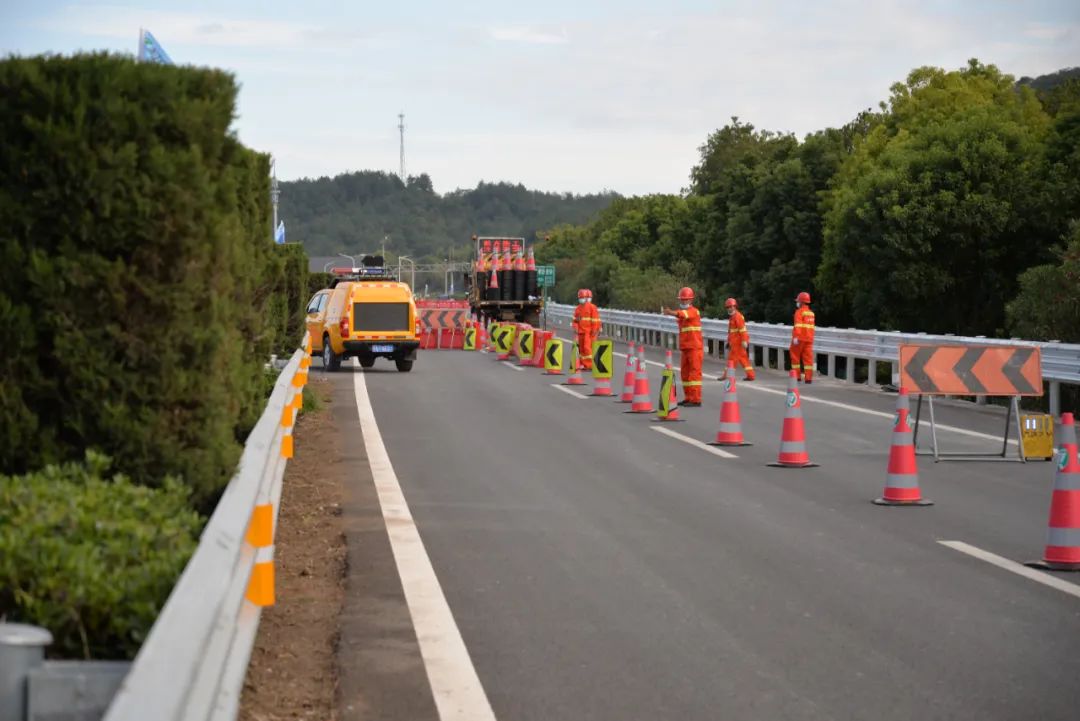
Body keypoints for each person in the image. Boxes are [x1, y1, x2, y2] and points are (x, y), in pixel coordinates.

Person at [662, 287, 703, 406]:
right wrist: (672, 313)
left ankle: (696, 399)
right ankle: (688, 397)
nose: (683, 302)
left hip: (695, 348)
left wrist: (671, 312)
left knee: (694, 374)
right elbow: (681, 316)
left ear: (691, 300)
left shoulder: (693, 311)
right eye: (682, 300)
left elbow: (683, 314)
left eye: (685, 300)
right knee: (685, 374)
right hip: (685, 347)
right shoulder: (683, 314)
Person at [722, 297, 755, 381]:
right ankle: (751, 375)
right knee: (744, 360)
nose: (729, 309)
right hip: (735, 343)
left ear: (734, 306)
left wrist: (744, 341)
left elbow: (743, 330)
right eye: (728, 307)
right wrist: (729, 342)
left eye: (730, 307)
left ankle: (727, 376)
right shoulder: (733, 317)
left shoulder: (738, 317)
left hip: (738, 343)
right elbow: (731, 332)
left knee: (731, 360)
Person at [791, 291, 816, 383]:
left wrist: (796, 337)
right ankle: (808, 378)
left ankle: (797, 377)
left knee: (795, 357)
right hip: (809, 339)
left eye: (798, 301)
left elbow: (798, 325)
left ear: (801, 302)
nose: (797, 303)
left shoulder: (799, 312)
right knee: (808, 359)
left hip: (800, 338)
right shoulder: (811, 313)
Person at [572, 288, 601, 370]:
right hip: (581, 332)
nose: (581, 299)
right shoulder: (578, 309)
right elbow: (575, 320)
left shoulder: (592, 307)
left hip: (588, 332)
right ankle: (583, 363)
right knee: (581, 349)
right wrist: (575, 328)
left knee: (587, 348)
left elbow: (595, 320)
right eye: (580, 298)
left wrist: (595, 330)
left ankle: (589, 365)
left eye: (582, 297)